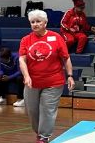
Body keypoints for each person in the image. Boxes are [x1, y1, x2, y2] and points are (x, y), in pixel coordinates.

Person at [19, 10, 75, 143]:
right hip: (32, 82)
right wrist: (26, 76)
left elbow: (66, 58)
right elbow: (22, 59)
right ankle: (40, 133)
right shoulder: (26, 40)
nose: (35, 24)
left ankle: (44, 137)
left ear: (45, 22)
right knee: (32, 110)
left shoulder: (56, 37)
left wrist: (70, 75)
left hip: (53, 82)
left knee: (47, 109)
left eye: (38, 21)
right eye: (32, 22)